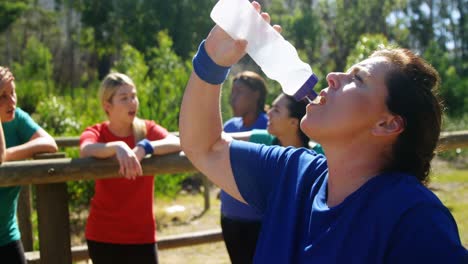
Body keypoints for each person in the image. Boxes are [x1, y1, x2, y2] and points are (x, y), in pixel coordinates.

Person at [179, 2, 468, 263]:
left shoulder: (414, 219)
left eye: (358, 78)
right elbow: (204, 147)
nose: (333, 76)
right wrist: (212, 61)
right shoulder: (293, 173)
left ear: (387, 123)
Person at [79, 72, 181, 264]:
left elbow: (177, 142)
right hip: (103, 235)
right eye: (124, 98)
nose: (132, 102)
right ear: (107, 106)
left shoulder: (146, 130)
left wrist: (145, 146)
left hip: (142, 235)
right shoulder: (98, 131)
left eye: (133, 96)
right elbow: (86, 149)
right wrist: (118, 147)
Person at [0, 66, 58, 264]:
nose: (12, 101)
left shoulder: (17, 118)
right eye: (2, 96)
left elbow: (50, 144)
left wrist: (8, 155)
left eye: (13, 92)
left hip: (7, 235)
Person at [220, 70, 268, 264]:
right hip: (230, 218)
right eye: (232, 92)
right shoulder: (230, 126)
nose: (232, 98)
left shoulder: (271, 126)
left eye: (239, 92)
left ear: (256, 94)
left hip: (261, 221)